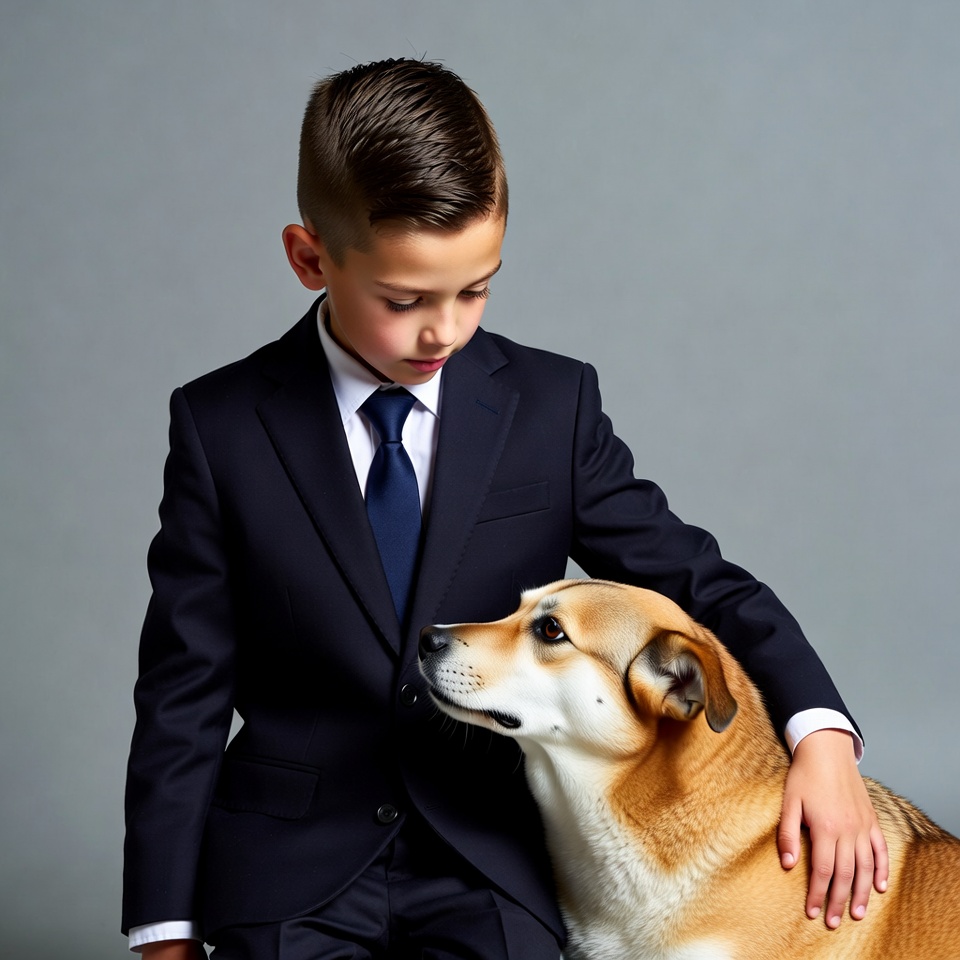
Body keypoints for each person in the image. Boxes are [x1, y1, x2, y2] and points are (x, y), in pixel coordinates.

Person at [122, 58, 888, 959]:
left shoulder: (549, 408)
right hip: (291, 865)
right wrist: (165, 924)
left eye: (476, 289)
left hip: (487, 855)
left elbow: (700, 584)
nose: (444, 330)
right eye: (404, 300)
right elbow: (184, 690)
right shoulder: (221, 427)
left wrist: (822, 736)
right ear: (308, 258)